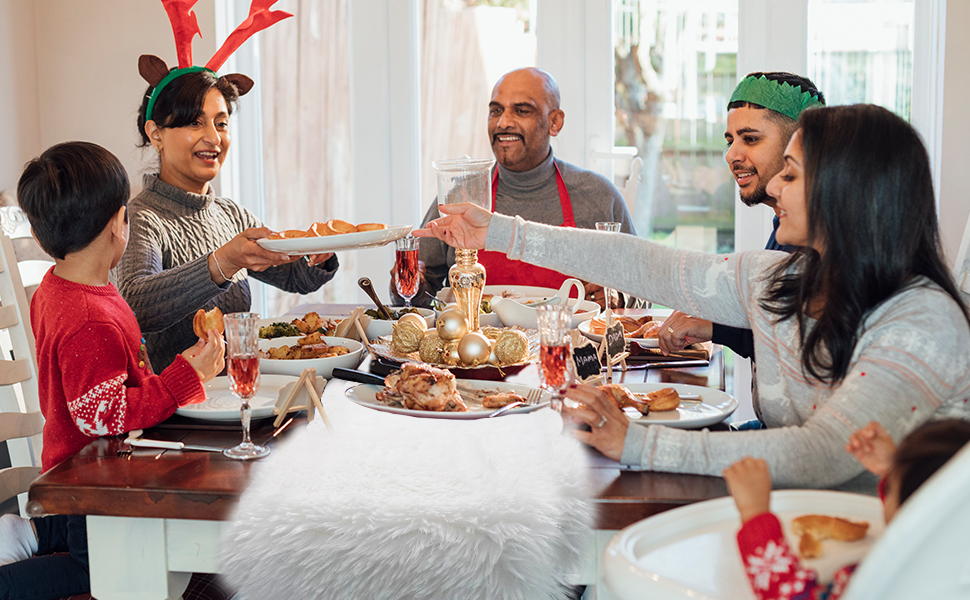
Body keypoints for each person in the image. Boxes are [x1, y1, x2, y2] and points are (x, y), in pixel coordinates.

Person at [414, 103, 970, 491]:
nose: (774, 186)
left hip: (872, 553)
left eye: (793, 176)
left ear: (850, 194)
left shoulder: (921, 321)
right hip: (793, 511)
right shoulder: (788, 280)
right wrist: (501, 232)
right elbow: (647, 264)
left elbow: (825, 452)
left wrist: (640, 444)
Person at [1, 141, 224, 599]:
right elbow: (101, 414)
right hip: (94, 480)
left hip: (76, 466)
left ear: (43, 238)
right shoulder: (89, 316)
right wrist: (185, 377)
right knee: (92, 570)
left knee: (77, 533)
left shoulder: (61, 287)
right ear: (119, 225)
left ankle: (33, 536)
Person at [113, 54, 338, 371]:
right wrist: (223, 262)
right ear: (156, 134)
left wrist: (320, 251)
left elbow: (295, 277)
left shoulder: (230, 214)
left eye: (221, 123)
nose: (213, 137)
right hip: (179, 408)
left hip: (236, 391)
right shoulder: (142, 217)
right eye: (195, 122)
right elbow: (137, 306)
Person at [394, 67, 639, 310]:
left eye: (522, 110)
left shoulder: (598, 196)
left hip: (563, 345)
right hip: (479, 347)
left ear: (555, 122)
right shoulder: (460, 196)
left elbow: (640, 291)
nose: (503, 122)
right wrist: (406, 285)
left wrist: (616, 296)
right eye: (496, 111)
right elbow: (423, 297)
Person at [659, 72, 825, 365]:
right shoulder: (783, 223)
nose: (731, 155)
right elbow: (776, 326)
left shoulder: (817, 239)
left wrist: (715, 327)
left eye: (750, 139)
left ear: (800, 145)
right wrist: (713, 323)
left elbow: (797, 348)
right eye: (730, 141)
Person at [724, 419, 970, 599]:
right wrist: (894, 472)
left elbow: (794, 595)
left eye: (891, 486)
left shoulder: (900, 584)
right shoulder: (953, 558)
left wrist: (754, 513)